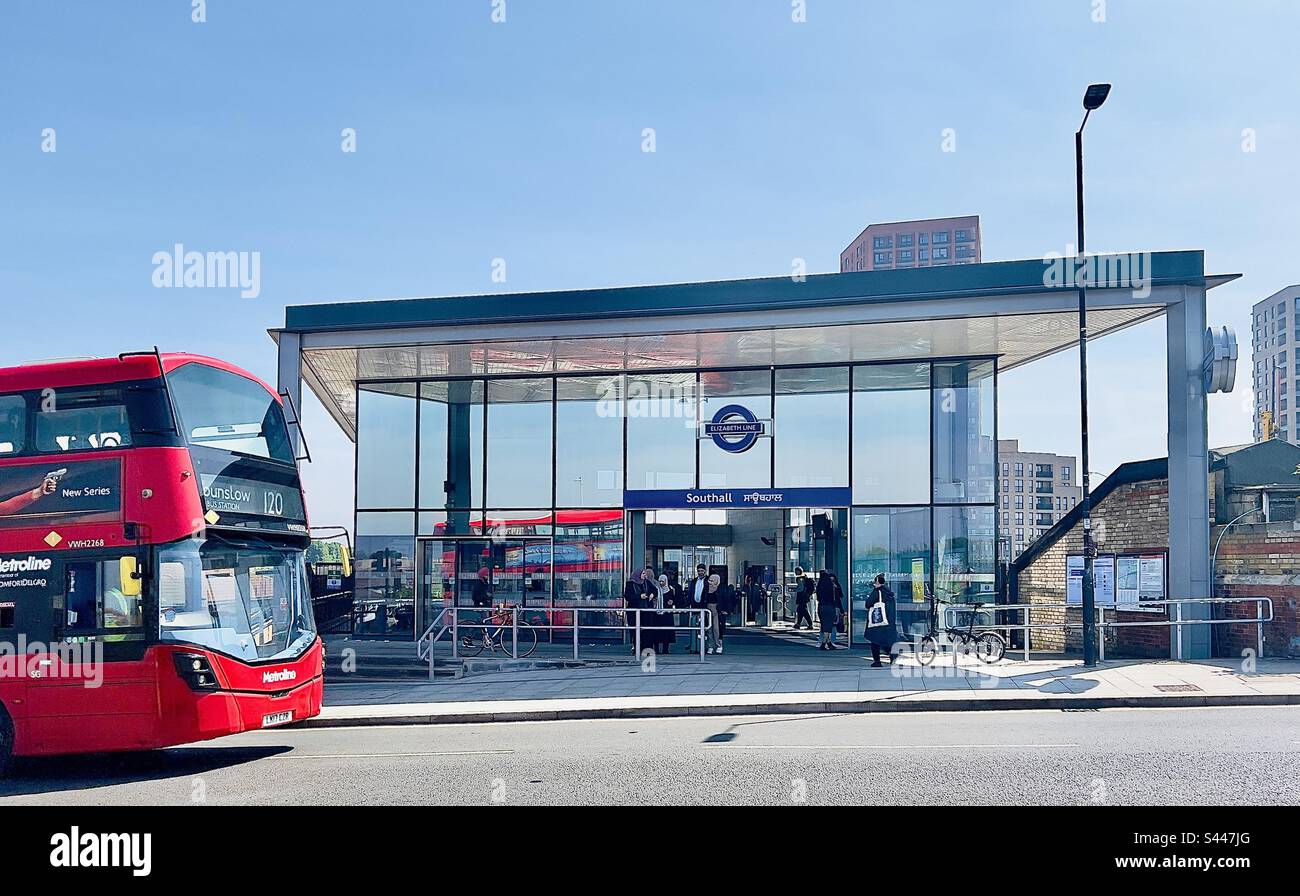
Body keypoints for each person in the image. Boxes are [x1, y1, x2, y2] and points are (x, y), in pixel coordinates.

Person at [865, 573, 901, 667]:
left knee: (875, 640)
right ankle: (893, 655)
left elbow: (868, 604)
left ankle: (877, 661)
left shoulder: (877, 592)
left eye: (875, 582)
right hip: (888, 620)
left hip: (878, 620)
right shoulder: (889, 593)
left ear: (877, 582)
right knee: (887, 639)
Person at [624, 567, 656, 654]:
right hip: (634, 611)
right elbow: (627, 596)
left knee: (647, 630)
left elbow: (654, 589)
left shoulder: (646, 582)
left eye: (645, 574)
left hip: (646, 610)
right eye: (643, 574)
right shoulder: (630, 584)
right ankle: (637, 648)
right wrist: (639, 596)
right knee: (636, 631)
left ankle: (647, 649)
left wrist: (652, 594)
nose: (645, 575)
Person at [683, 564, 709, 652]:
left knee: (704, 625)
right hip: (695, 605)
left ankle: (704, 645)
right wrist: (688, 604)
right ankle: (693, 644)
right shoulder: (694, 581)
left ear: (705, 571)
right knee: (694, 624)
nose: (700, 573)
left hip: (704, 606)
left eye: (702, 571)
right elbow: (690, 593)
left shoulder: (708, 581)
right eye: (699, 571)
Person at [815, 569, 842, 650]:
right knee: (829, 625)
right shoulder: (832, 586)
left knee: (824, 624)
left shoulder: (819, 586)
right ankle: (824, 643)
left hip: (821, 606)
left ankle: (829, 642)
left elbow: (818, 597)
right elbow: (837, 596)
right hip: (830, 606)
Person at [705, 573, 727, 655]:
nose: (710, 582)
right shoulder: (706, 589)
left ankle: (719, 645)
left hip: (717, 611)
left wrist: (724, 610)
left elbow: (725, 599)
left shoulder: (721, 589)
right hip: (707, 610)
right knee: (709, 629)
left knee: (716, 629)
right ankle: (710, 646)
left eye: (712, 580)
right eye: (709, 580)